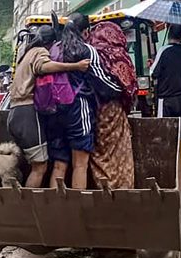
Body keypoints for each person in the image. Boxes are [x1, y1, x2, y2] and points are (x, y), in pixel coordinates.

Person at [45, 13, 122, 190]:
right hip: (78, 109)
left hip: (54, 110)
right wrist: (121, 90)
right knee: (80, 164)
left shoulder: (55, 48)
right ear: (86, 31)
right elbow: (103, 82)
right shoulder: (86, 50)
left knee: (59, 163)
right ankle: (76, 211)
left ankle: (51, 208)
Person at [8, 25, 89, 188]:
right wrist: (75, 66)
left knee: (36, 165)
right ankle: (28, 205)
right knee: (40, 167)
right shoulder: (40, 51)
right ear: (51, 42)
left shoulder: (27, 53)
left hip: (14, 112)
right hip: (27, 112)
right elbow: (44, 67)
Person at [87, 21, 137, 189]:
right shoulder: (120, 56)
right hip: (114, 110)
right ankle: (122, 189)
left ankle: (101, 188)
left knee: (99, 152)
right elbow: (130, 87)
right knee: (119, 152)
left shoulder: (91, 54)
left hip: (93, 109)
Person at [150, 24, 181, 134]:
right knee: (180, 132)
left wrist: (152, 64)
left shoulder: (164, 50)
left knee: (164, 130)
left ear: (168, 35)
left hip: (166, 99)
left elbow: (153, 73)